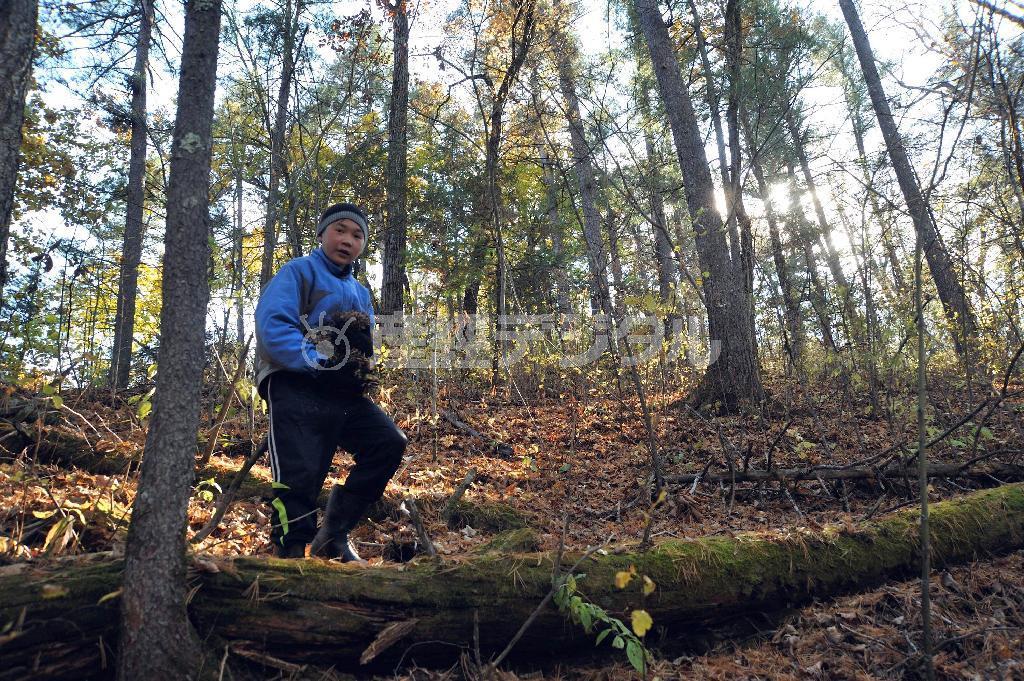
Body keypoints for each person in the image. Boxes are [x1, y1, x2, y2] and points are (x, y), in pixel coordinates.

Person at [253, 202, 407, 561]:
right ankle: (290, 551)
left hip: (342, 391)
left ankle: (334, 536)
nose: (347, 240)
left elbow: (365, 343)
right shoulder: (298, 272)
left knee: (387, 443)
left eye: (357, 235)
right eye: (339, 230)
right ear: (322, 234)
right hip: (294, 383)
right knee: (300, 471)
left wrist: (360, 369)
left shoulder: (360, 292)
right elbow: (273, 325)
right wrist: (320, 361)